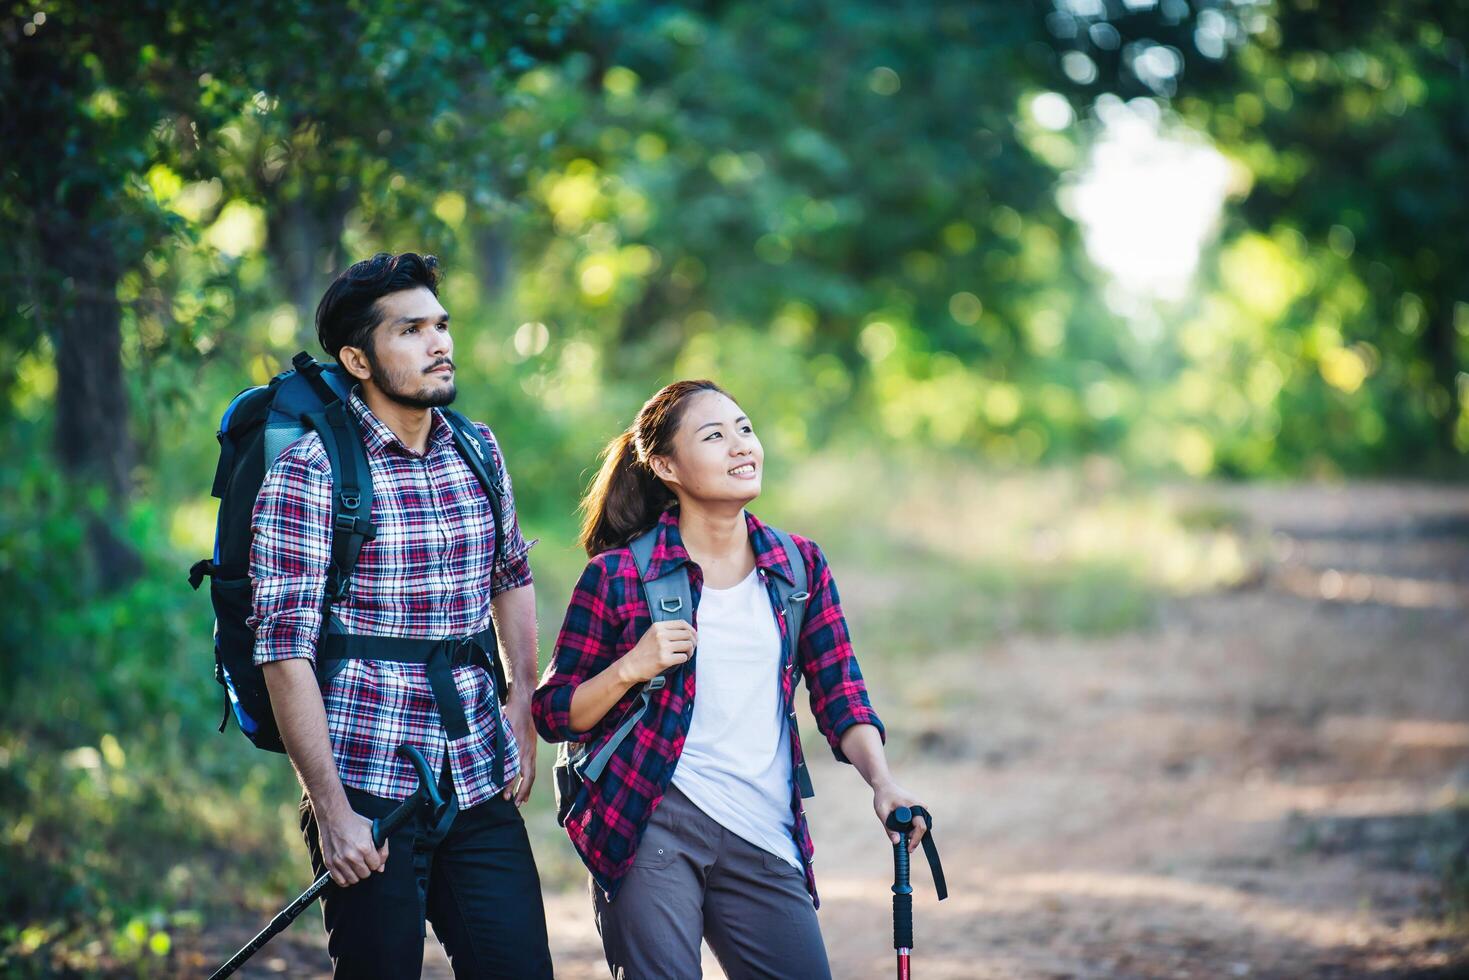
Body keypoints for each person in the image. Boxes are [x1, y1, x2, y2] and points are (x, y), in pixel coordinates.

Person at [532, 379, 928, 979]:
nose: (741, 445)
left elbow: (841, 695)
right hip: (650, 823)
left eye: (744, 429)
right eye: (714, 436)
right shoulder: (618, 577)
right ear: (665, 464)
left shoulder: (798, 567)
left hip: (763, 828)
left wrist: (884, 783)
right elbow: (556, 713)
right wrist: (631, 667)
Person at [250, 252, 553, 978]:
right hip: (367, 784)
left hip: (476, 772)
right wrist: (330, 812)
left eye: (440, 325)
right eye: (411, 330)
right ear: (357, 358)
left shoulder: (476, 449)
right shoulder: (312, 470)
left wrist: (521, 704)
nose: (438, 343)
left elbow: (511, 575)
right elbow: (283, 649)